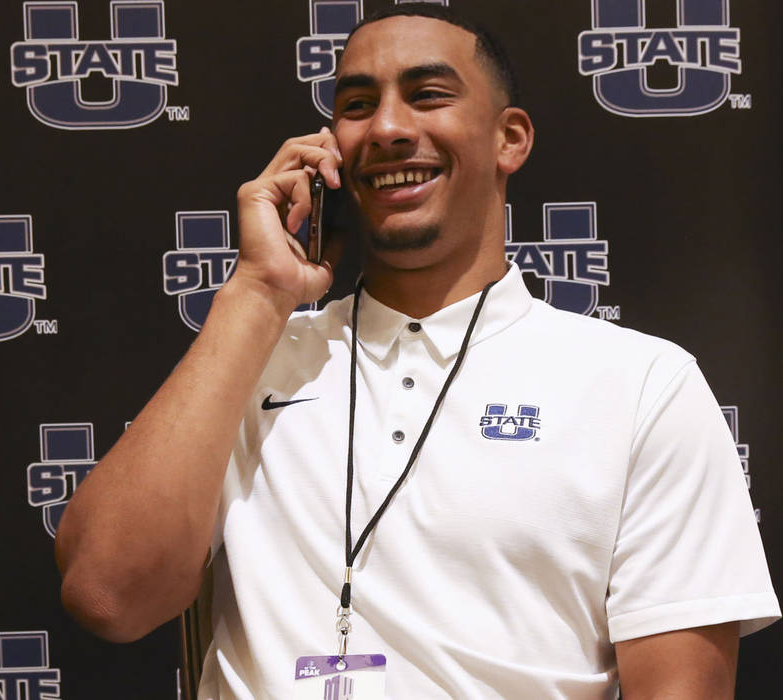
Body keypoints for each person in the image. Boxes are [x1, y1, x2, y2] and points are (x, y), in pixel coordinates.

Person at [55, 5, 778, 698]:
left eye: (428, 95)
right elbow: (107, 593)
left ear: (510, 139)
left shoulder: (642, 384)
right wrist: (255, 293)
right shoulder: (250, 358)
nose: (390, 128)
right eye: (358, 104)